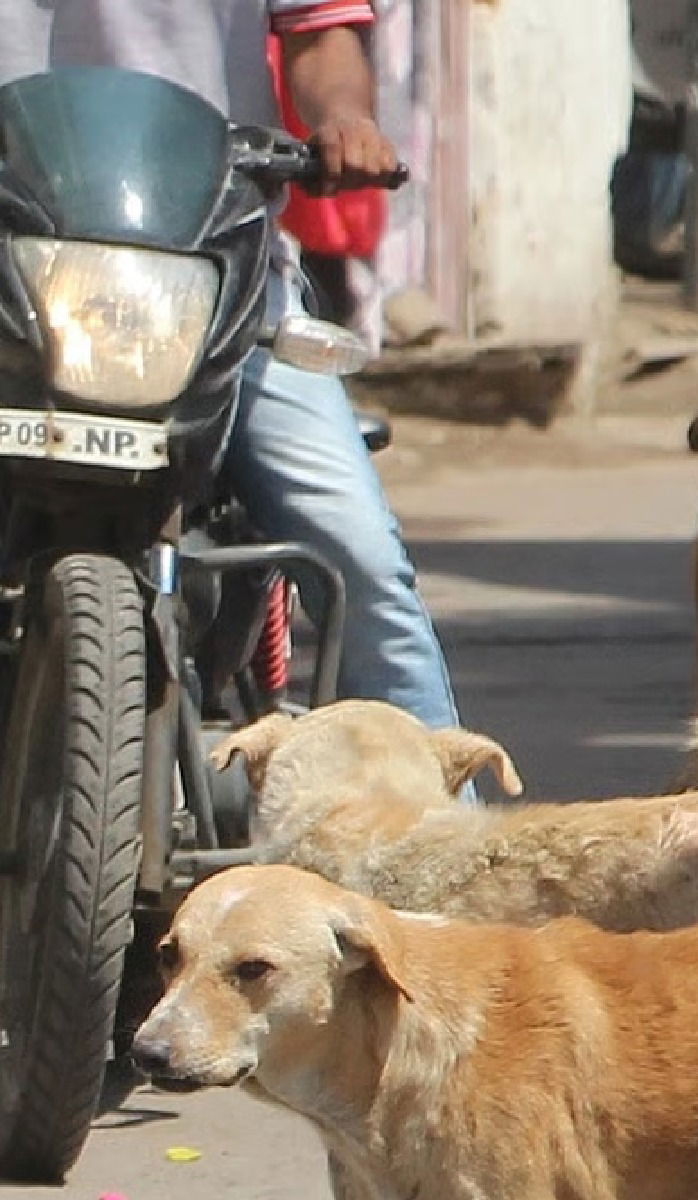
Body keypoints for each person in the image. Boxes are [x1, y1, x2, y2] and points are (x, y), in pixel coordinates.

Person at [0, 1, 463, 732]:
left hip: (217, 265)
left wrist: (343, 118)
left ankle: (451, 830)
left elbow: (322, 35)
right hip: (12, 260)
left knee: (358, 556)